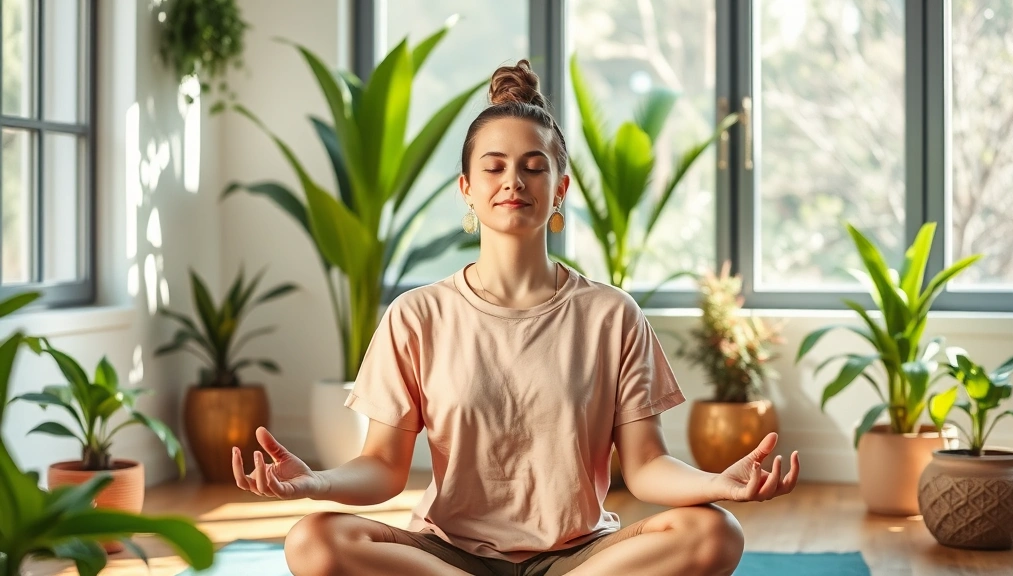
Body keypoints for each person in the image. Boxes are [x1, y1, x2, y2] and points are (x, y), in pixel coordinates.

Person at [232, 59, 799, 576]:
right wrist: (314, 483)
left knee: (714, 532)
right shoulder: (417, 315)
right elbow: (383, 466)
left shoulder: (611, 315)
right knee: (312, 542)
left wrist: (716, 483)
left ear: (560, 191)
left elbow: (647, 466)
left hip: (580, 557)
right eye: (494, 166)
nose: (513, 181)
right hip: (449, 557)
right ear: (467, 190)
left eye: (534, 167)